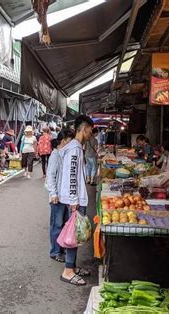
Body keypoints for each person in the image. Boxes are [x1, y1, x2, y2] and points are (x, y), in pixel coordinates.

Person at [58, 115, 94, 286]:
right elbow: (72, 176)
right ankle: (68, 271)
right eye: (90, 131)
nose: (90, 134)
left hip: (77, 198)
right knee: (74, 234)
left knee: (76, 234)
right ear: (84, 128)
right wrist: (73, 201)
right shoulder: (74, 149)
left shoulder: (76, 147)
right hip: (75, 200)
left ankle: (72, 266)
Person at [46, 128, 75, 263]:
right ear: (63, 141)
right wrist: (53, 193)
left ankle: (60, 248)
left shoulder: (64, 153)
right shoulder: (55, 155)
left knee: (63, 224)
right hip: (57, 197)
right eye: (69, 141)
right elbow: (50, 176)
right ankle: (55, 251)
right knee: (56, 225)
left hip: (65, 196)